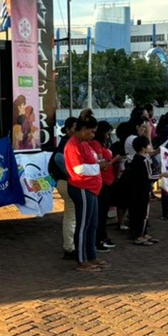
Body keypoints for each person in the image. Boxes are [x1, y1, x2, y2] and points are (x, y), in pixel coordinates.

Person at [64, 111, 107, 272]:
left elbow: (90, 161)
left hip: (91, 188)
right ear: (83, 130)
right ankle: (81, 260)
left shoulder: (84, 143)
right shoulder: (73, 145)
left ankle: (91, 255)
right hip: (81, 187)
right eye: (92, 131)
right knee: (83, 224)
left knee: (92, 224)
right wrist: (98, 167)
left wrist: (98, 163)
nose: (93, 135)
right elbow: (79, 169)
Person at [123, 135, 160, 246]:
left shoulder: (137, 158)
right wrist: (161, 175)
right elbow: (148, 176)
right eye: (148, 145)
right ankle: (139, 235)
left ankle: (142, 233)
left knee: (138, 212)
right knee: (142, 213)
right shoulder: (143, 160)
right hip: (142, 190)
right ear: (143, 148)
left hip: (137, 190)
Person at [49, 117, 78, 260]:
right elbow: (59, 160)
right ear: (67, 130)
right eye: (75, 129)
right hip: (67, 182)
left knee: (71, 215)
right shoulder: (66, 145)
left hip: (64, 182)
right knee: (71, 215)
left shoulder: (67, 144)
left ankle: (71, 246)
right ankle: (69, 247)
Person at [92, 121, 119, 252]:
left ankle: (102, 236)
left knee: (104, 212)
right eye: (107, 134)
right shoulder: (95, 144)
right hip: (101, 181)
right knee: (100, 213)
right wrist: (114, 160)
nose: (108, 137)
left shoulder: (102, 144)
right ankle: (98, 239)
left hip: (108, 180)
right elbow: (102, 164)